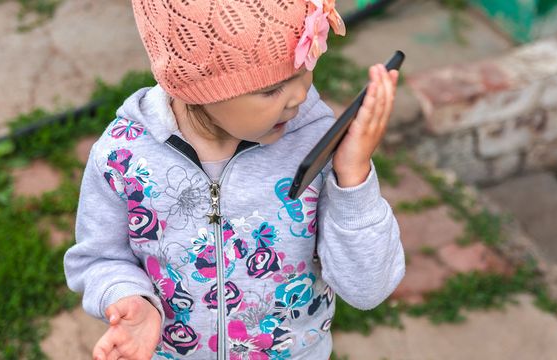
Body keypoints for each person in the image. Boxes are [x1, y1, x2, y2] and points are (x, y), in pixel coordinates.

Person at [64, 0, 405, 359]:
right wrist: (129, 296)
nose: (300, 96)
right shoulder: (123, 157)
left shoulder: (318, 145)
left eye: (305, 71)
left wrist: (353, 179)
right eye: (272, 89)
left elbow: (368, 289)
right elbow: (99, 258)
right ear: (196, 91)